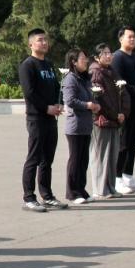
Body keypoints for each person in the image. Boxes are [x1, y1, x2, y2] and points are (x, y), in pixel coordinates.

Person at [18, 28, 65, 212]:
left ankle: (47, 195)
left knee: (47, 159)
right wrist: (46, 108)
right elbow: (29, 93)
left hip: (51, 118)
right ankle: (29, 198)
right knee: (34, 157)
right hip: (36, 118)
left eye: (46, 40)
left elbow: (56, 87)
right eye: (40, 40)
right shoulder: (28, 65)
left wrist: (59, 103)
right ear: (31, 44)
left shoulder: (49, 65)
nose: (44, 43)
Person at [112, 26, 135, 193]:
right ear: (121, 39)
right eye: (129, 37)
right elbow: (119, 83)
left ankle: (128, 176)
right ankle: (117, 178)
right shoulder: (117, 58)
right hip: (125, 107)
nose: (133, 39)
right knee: (124, 143)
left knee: (134, 142)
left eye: (134, 36)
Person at [89, 43, 130, 199]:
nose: (108, 56)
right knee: (101, 156)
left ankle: (111, 188)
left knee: (112, 156)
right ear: (96, 57)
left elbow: (124, 93)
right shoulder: (95, 73)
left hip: (115, 120)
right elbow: (100, 100)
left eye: (109, 53)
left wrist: (123, 113)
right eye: (104, 53)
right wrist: (115, 115)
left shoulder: (112, 71)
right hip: (103, 121)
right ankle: (100, 189)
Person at [61, 48, 100, 205]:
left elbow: (90, 97)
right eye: (83, 58)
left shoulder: (85, 78)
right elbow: (70, 100)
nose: (86, 61)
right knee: (75, 160)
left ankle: (81, 189)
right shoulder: (70, 79)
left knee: (84, 160)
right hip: (75, 126)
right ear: (74, 62)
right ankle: (72, 192)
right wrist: (87, 105)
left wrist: (95, 104)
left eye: (86, 58)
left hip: (86, 125)